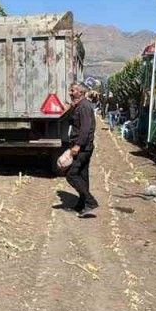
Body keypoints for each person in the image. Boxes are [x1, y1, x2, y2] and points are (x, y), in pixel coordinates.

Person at [62, 83, 98, 217]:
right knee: (83, 175)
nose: (70, 93)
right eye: (70, 90)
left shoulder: (85, 107)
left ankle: (90, 201)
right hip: (82, 146)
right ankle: (81, 205)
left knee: (71, 174)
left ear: (81, 92)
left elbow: (85, 129)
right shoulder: (78, 106)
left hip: (83, 147)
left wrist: (78, 145)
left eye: (73, 90)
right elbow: (65, 119)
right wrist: (70, 107)